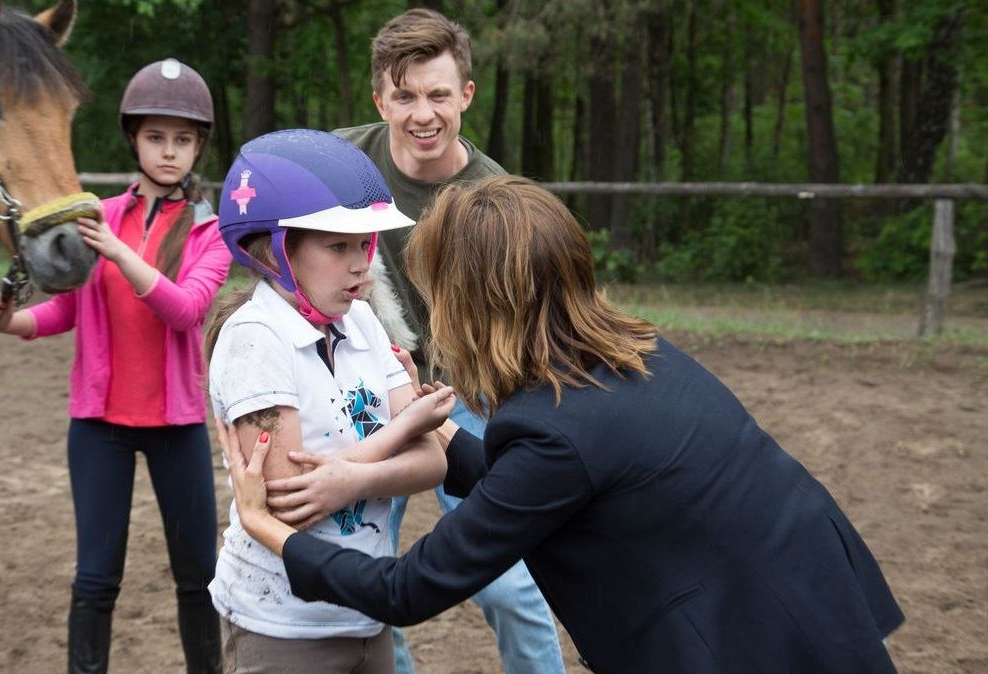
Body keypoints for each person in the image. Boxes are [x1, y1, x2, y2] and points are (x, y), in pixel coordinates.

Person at [220, 175, 906, 674]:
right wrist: (438, 431)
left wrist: (269, 528)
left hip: (740, 644)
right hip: (813, 600)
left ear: (474, 302)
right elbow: (552, 485)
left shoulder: (554, 431)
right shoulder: (636, 355)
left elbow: (408, 589)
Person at [0, 58, 230, 674]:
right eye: (156, 137)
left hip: (175, 427)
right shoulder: (97, 216)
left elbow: (186, 310)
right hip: (99, 428)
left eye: (183, 139)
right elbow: (68, 310)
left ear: (198, 146)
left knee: (198, 577)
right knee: (96, 579)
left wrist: (118, 253)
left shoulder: (210, 230)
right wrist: (10, 320)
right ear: (135, 140)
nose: (169, 152)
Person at [335, 9, 566, 674]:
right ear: (380, 99)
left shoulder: (496, 198)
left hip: (463, 394)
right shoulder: (339, 163)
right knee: (364, 572)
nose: (422, 113)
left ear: (466, 94)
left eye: (438, 93)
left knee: (508, 582)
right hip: (365, 396)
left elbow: (526, 323)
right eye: (404, 95)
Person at [205, 129, 455, 674]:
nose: (361, 264)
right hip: (284, 625)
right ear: (277, 247)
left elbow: (435, 460)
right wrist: (402, 428)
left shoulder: (362, 319)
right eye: (338, 246)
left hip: (367, 613)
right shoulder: (255, 339)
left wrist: (352, 479)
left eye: (365, 245)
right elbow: (287, 499)